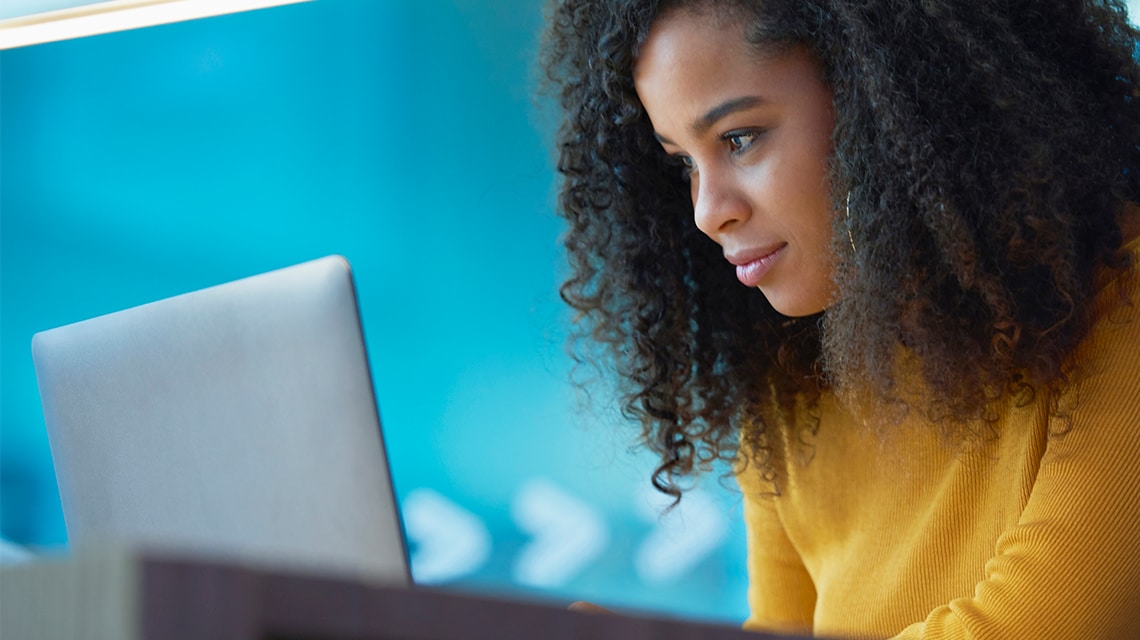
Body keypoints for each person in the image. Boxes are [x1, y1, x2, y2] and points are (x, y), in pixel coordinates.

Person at [540, 0, 1140, 637]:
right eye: (683, 163)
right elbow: (784, 628)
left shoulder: (1122, 306)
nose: (707, 212)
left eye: (738, 139)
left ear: (889, 97)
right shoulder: (787, 375)